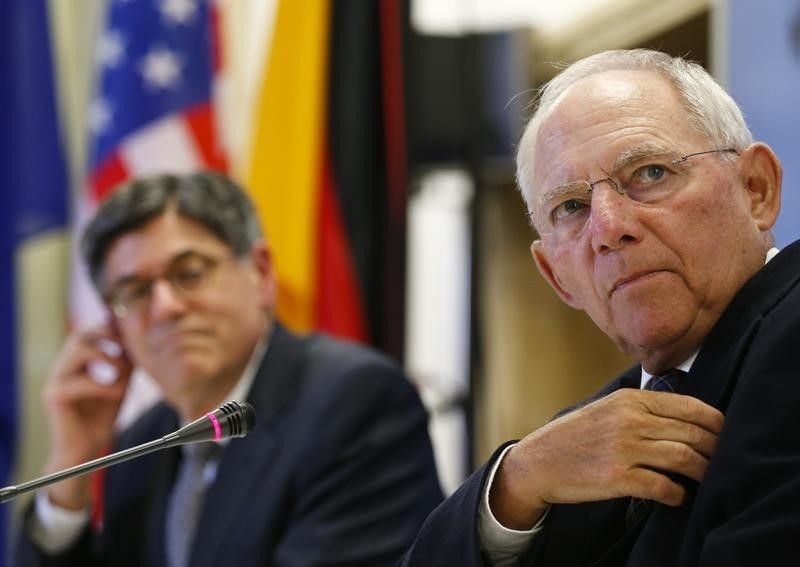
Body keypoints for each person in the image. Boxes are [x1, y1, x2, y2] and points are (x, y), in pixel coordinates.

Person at [401, 48, 799, 565]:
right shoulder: (577, 442)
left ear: (756, 189)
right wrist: (515, 484)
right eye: (571, 207)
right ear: (556, 277)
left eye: (651, 173)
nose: (609, 228)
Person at [15, 172, 443, 566]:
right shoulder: (141, 446)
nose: (165, 308)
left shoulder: (356, 402)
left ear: (260, 272)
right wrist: (70, 468)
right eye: (136, 291)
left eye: (190, 273)